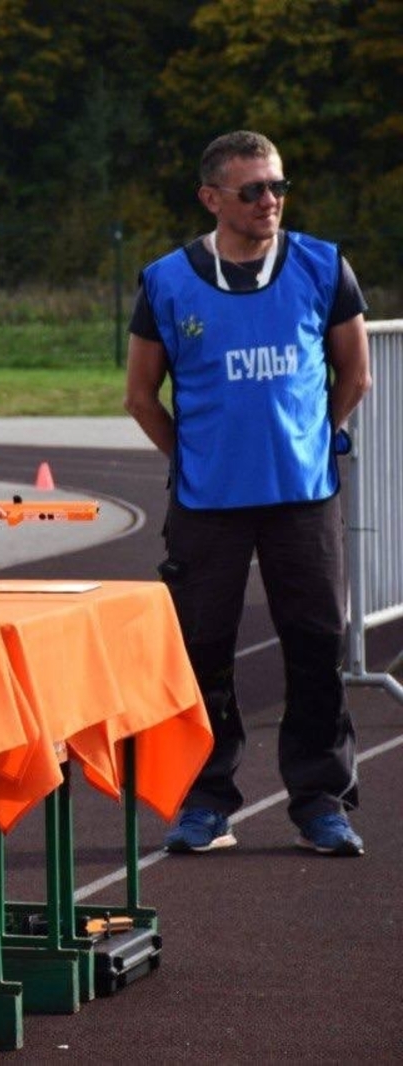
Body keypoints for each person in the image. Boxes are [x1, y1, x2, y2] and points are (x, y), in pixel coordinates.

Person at [125, 129, 372, 857]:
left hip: (303, 496)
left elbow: (354, 374)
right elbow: (141, 396)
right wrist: (195, 457)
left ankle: (321, 798)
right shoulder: (167, 279)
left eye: (278, 187)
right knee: (202, 651)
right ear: (212, 198)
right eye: (252, 190)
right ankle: (204, 801)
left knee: (316, 645)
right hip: (207, 503)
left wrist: (314, 440)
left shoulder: (323, 265)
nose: (269, 201)